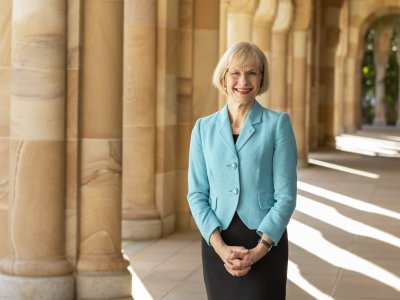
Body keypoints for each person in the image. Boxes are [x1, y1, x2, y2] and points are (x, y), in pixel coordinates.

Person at [187, 42, 297, 300]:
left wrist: (259, 251)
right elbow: (196, 194)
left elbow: (286, 196)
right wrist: (221, 248)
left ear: (261, 79)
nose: (243, 81)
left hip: (265, 242)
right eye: (235, 72)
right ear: (224, 78)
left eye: (252, 73)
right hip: (217, 243)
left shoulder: (277, 125)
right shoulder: (203, 129)